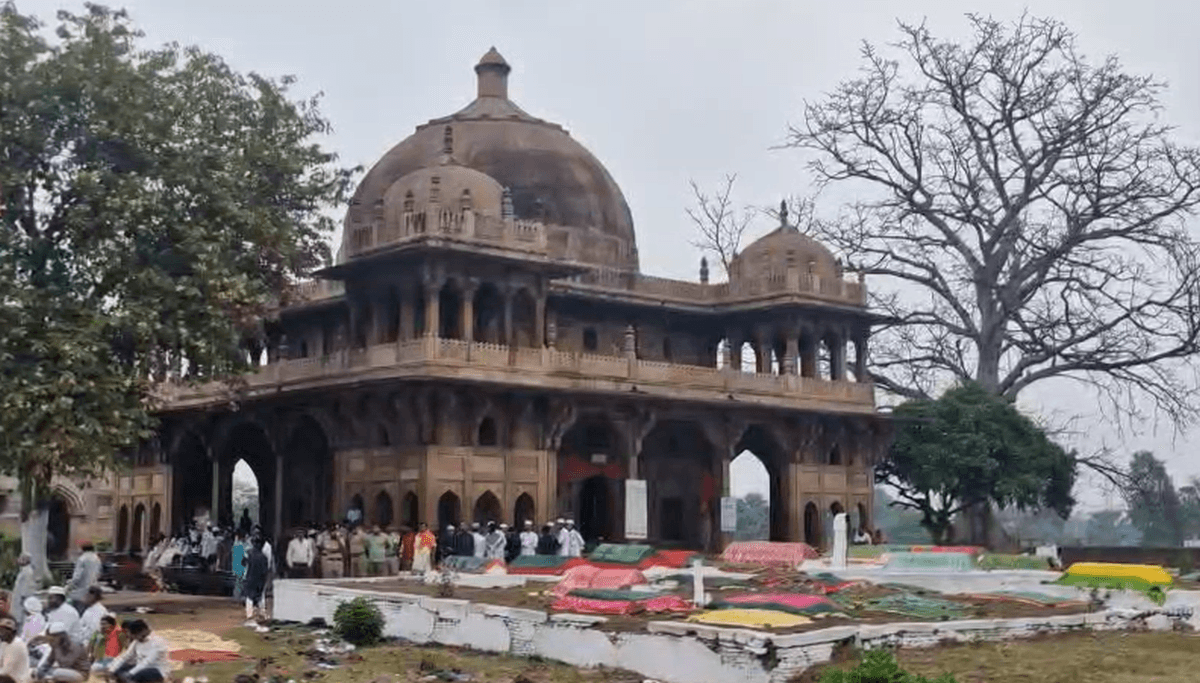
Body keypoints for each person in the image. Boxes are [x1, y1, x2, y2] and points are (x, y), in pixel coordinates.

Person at [242, 539, 270, 623]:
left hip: (250, 577)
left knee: (249, 597)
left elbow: (243, 563)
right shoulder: (264, 557)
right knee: (260, 597)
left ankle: (250, 615)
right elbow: (266, 570)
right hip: (259, 579)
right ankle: (262, 614)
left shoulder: (248, 553)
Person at [0, 613, 31, 683]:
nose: (2, 632)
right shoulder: (4, 643)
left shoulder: (16, 644)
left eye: (7, 629)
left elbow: (5, 671)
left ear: (13, 631)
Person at [8, 556, 33, 629]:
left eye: (22, 559)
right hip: (18, 600)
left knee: (20, 622)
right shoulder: (23, 571)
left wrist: (22, 600)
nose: (18, 560)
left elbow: (25, 589)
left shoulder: (27, 572)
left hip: (21, 602)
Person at [231, 532, 247, 597]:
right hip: (242, 569)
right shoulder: (244, 546)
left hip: (236, 568)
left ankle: (236, 597)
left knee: (237, 585)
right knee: (240, 585)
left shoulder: (235, 545)